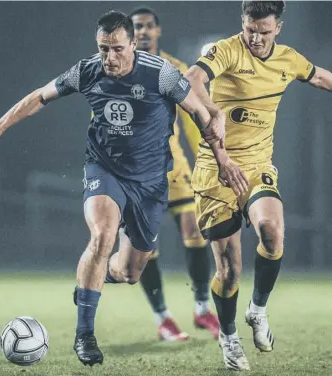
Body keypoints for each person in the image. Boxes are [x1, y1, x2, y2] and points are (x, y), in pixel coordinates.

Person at [0, 11, 249, 367]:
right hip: (104, 169)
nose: (109, 57)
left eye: (116, 49)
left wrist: (223, 161)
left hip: (150, 183)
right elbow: (40, 96)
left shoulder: (160, 73)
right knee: (102, 235)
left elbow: (200, 112)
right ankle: (85, 335)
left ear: (133, 44)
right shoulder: (87, 70)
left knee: (130, 272)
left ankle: (93, 283)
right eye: (103, 49)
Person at [185, 1, 332, 371]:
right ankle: (229, 337)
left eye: (264, 31)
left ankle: (258, 309)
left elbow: (319, 77)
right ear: (243, 23)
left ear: (278, 28)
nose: (255, 38)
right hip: (215, 170)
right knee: (229, 270)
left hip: (257, 167)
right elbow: (192, 79)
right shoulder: (227, 50)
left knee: (271, 231)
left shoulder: (288, 59)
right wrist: (215, 112)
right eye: (250, 29)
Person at [129, 7, 220, 342]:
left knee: (195, 228)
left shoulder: (174, 69)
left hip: (174, 168)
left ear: (158, 30)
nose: (143, 32)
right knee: (146, 249)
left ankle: (200, 308)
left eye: (148, 26)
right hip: (137, 176)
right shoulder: (119, 69)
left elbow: (194, 122)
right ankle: (163, 317)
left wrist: (209, 162)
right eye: (137, 27)